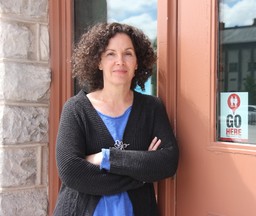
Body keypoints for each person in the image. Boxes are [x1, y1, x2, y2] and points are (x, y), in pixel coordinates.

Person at [53, 22, 179, 216]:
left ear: (137, 62)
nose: (120, 61)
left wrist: (105, 158)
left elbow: (167, 162)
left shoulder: (151, 108)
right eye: (111, 54)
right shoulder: (76, 109)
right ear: (98, 62)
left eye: (128, 53)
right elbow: (72, 172)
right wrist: (141, 172)